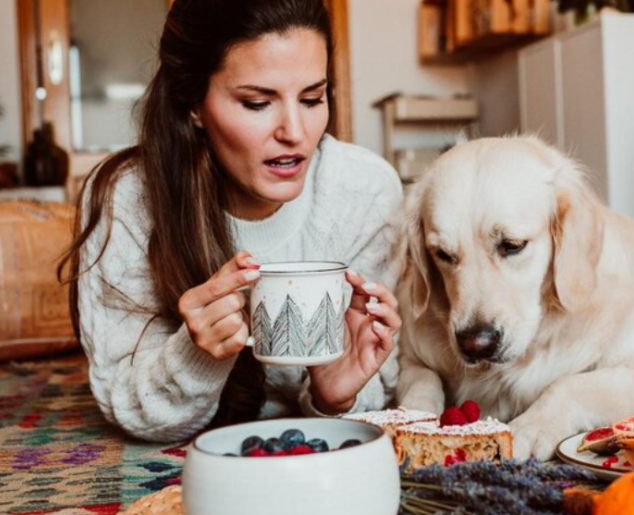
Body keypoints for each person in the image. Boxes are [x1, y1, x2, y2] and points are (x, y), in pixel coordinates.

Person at [59, 0, 404, 443]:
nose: (295, 133)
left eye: (313, 98)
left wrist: (334, 398)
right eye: (258, 103)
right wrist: (196, 354)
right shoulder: (127, 199)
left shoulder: (364, 190)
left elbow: (376, 388)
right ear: (194, 104)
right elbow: (131, 408)